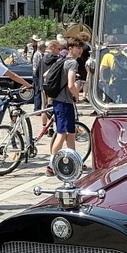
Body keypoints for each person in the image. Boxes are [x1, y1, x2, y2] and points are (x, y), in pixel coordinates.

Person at [46, 38, 85, 176]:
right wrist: (77, 96)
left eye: (81, 48)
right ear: (70, 48)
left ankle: (74, 161)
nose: (80, 50)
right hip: (64, 102)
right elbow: (70, 84)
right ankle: (51, 165)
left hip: (59, 101)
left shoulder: (61, 60)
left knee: (71, 133)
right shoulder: (72, 63)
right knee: (62, 133)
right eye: (77, 47)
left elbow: (46, 75)